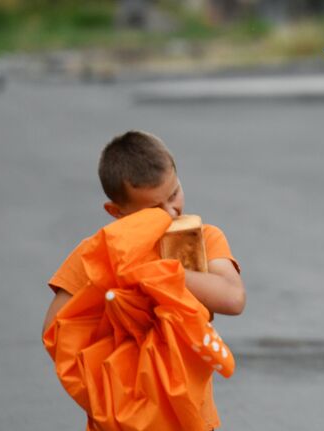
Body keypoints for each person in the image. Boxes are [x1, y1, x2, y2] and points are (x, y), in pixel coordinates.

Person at [42, 130, 246, 430]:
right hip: (120, 412)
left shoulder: (201, 239)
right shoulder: (99, 254)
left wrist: (158, 272)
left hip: (187, 412)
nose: (170, 212)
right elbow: (56, 330)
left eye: (174, 194)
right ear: (116, 211)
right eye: (153, 209)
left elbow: (232, 298)